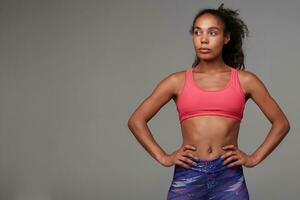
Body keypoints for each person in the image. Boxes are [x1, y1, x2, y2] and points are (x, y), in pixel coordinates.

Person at [127, 3, 290, 200]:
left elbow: (281, 123)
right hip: (188, 174)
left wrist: (253, 158)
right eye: (197, 32)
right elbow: (136, 120)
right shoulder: (176, 81)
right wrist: (163, 157)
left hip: (229, 177)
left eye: (212, 33)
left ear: (226, 38)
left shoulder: (246, 81)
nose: (203, 40)